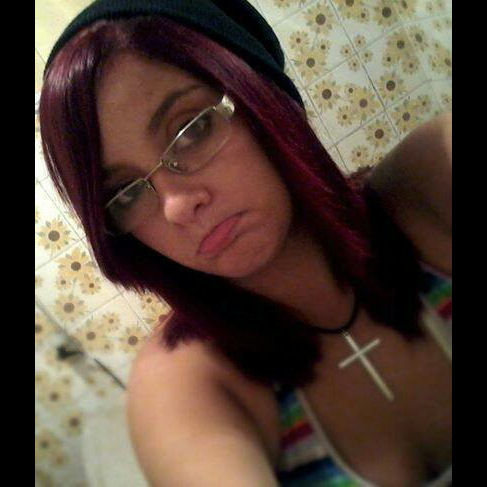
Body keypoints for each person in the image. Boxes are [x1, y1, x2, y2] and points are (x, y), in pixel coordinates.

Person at [39, 0, 452, 485]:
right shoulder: (186, 386)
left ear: (264, 95)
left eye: (191, 129)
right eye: (125, 193)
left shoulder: (429, 182)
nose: (175, 206)